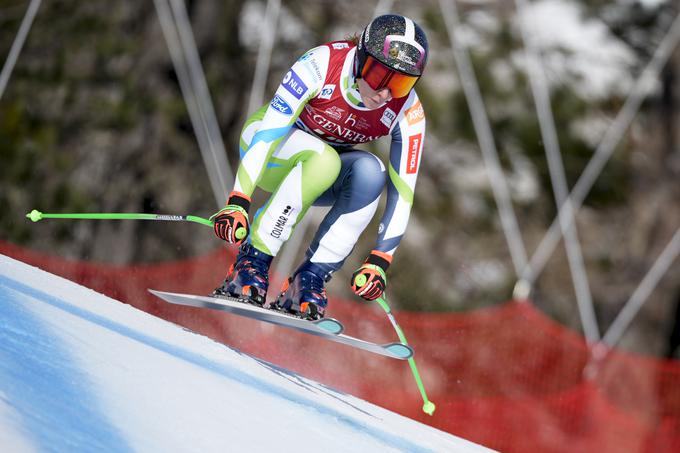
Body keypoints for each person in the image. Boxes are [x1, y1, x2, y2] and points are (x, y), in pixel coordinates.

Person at [210, 14, 428, 320]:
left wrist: (380, 260)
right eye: (380, 76)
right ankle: (253, 260)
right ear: (362, 58)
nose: (385, 93)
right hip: (268, 152)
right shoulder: (323, 63)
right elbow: (271, 130)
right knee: (324, 159)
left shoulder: (408, 110)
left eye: (402, 82)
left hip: (318, 174)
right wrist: (238, 199)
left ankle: (310, 278)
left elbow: (403, 191)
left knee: (371, 172)